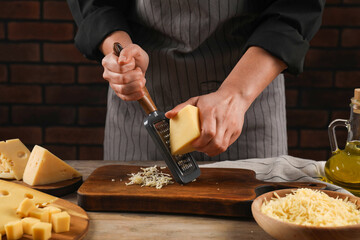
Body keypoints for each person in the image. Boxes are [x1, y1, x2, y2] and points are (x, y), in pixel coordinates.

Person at [67, 0, 325, 161]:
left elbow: (296, 7)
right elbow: (96, 4)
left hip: (248, 106)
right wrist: (122, 53)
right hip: (141, 111)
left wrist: (235, 94)